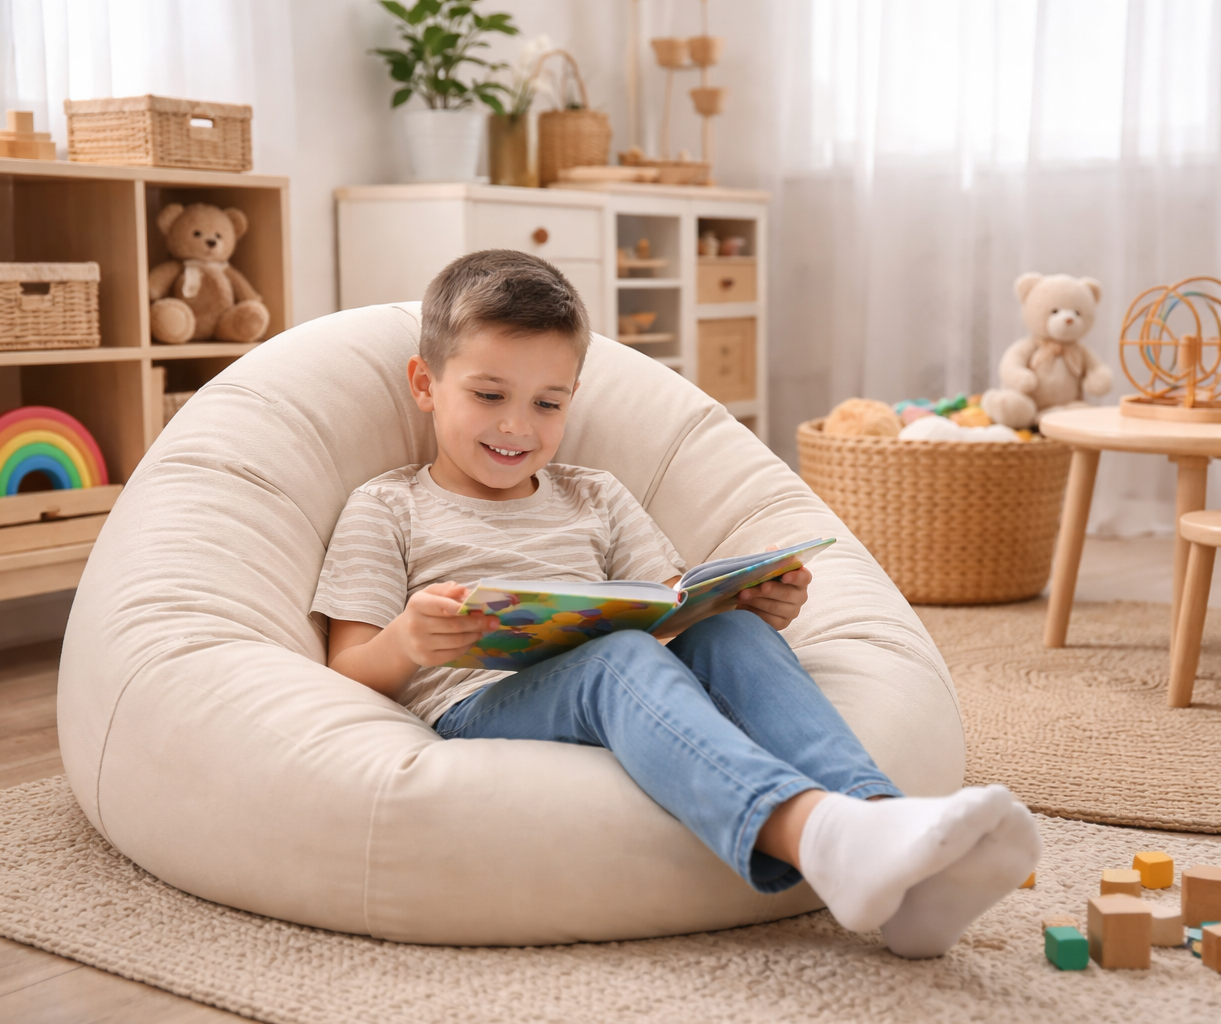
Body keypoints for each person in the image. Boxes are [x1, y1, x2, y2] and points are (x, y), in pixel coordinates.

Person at [315, 249, 1040, 956]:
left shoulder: (594, 495)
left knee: (725, 634)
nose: (517, 427)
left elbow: (668, 610)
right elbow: (348, 668)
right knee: (618, 656)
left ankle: (893, 844)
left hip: (613, 675)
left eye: (547, 403)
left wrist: (750, 605)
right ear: (425, 383)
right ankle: (817, 835)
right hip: (478, 703)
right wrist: (410, 641)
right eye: (488, 395)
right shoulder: (390, 507)